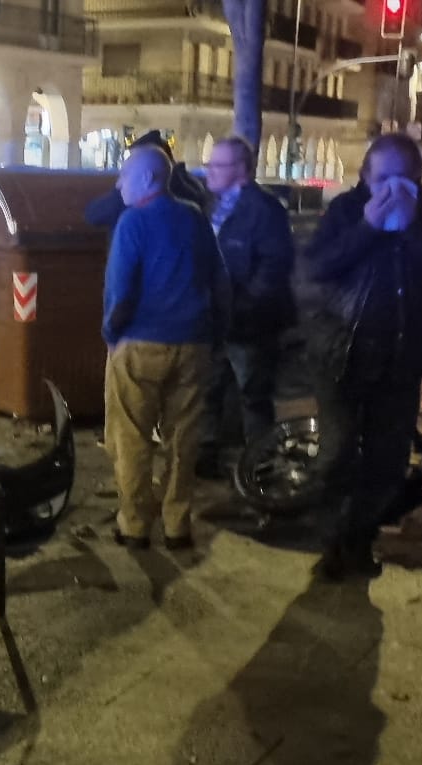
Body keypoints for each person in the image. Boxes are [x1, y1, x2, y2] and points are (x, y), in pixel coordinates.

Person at [302, 134, 422, 580]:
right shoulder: (345, 210)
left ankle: (356, 541)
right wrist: (368, 229)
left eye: (404, 179)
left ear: (420, 178)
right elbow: (315, 268)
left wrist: (412, 227)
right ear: (364, 176)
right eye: (383, 179)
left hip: (401, 356)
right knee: (336, 454)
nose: (393, 188)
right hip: (341, 354)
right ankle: (334, 541)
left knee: (387, 459)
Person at [101, 145, 227, 551]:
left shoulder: (132, 223)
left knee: (131, 438)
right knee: (183, 439)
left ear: (147, 179)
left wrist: (111, 333)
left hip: (140, 344)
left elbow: (121, 291)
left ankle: (135, 525)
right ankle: (177, 524)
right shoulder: (195, 220)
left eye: (124, 175)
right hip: (193, 344)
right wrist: (217, 335)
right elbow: (219, 281)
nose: (118, 183)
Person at [195, 135, 294, 479]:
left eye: (217, 165)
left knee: (253, 396)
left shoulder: (264, 211)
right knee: (208, 389)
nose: (209, 170)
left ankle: (259, 465)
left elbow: (273, 268)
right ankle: (205, 455)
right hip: (216, 319)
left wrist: (243, 307)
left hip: (250, 325)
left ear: (241, 170)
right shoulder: (212, 205)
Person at [85, 130, 209, 227]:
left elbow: (93, 215)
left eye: (135, 160)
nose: (119, 184)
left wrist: (119, 192)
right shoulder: (193, 190)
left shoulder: (130, 216)